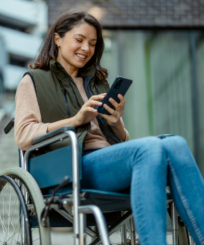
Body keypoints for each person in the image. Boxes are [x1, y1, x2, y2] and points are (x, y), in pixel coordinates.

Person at [14, 10, 204, 245]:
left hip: (110, 161)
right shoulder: (33, 80)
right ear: (58, 39)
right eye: (79, 40)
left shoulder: (97, 83)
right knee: (149, 148)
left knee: (176, 143)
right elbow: (23, 136)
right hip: (72, 166)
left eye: (93, 44)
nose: (86, 48)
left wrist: (115, 121)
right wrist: (75, 120)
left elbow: (123, 142)